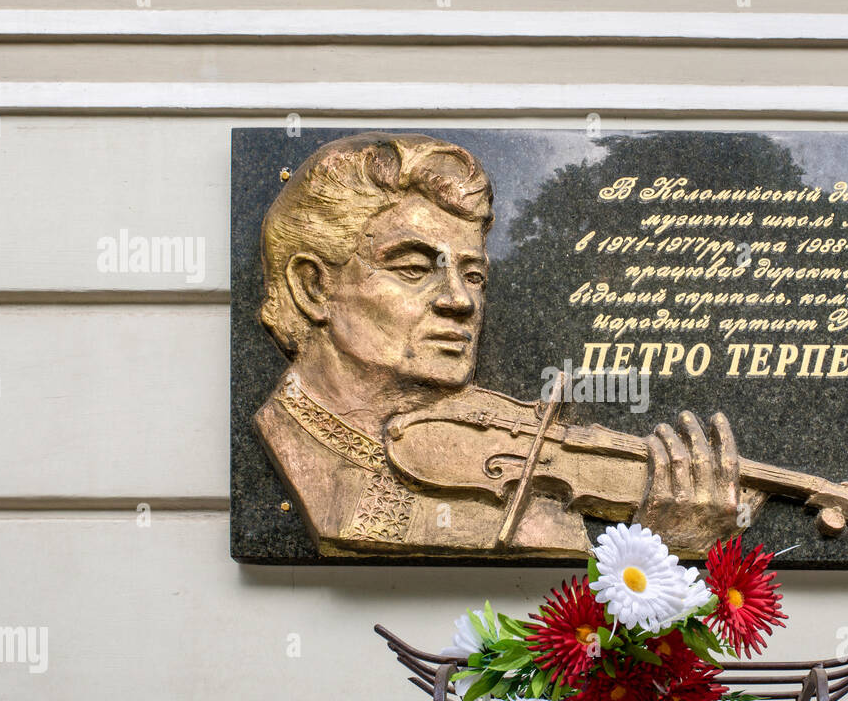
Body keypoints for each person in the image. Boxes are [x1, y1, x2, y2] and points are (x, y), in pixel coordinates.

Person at [255, 131, 756, 558]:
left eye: (474, 275)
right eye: (412, 269)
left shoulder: (520, 465)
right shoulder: (291, 441)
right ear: (313, 288)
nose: (460, 301)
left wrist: (661, 546)